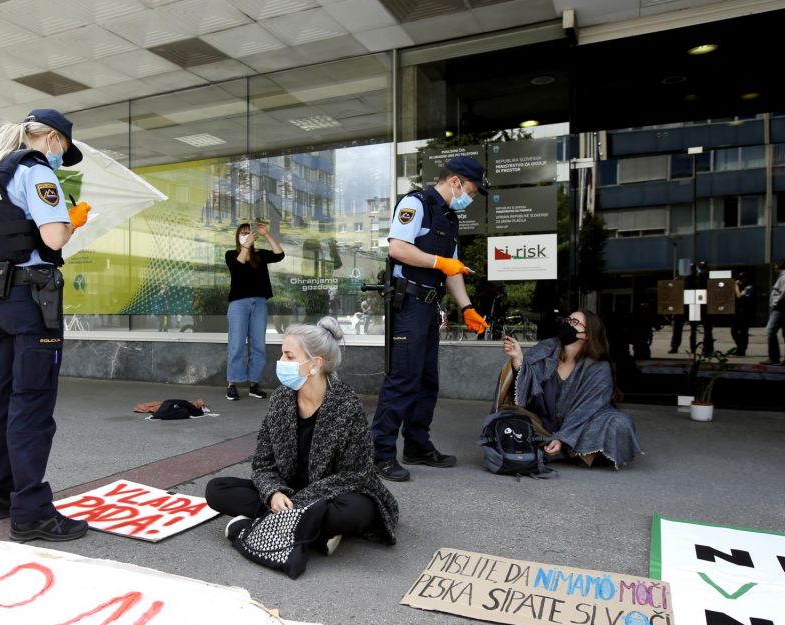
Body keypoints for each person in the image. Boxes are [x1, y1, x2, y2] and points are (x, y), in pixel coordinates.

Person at [0, 108, 92, 543]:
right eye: (63, 148)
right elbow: (53, 238)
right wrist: (71, 221)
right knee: (32, 405)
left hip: (2, 301)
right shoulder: (36, 170)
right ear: (52, 139)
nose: (61, 155)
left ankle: (2, 496)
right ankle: (32, 513)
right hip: (32, 301)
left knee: (3, 399)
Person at [205, 317, 399, 565]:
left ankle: (258, 525)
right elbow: (263, 463)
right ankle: (314, 533)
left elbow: (355, 474)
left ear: (314, 365)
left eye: (288, 356)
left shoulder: (346, 405)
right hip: (288, 490)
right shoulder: (280, 400)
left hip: (330, 495)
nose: (281, 362)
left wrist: (298, 501)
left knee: (358, 511)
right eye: (282, 355)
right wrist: (274, 492)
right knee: (217, 489)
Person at [370, 156, 489, 482]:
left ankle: (417, 445)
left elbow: (452, 269)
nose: (472, 196)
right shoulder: (416, 203)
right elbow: (398, 249)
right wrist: (440, 262)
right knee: (403, 379)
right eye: (472, 190)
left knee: (426, 380)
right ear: (455, 181)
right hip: (407, 303)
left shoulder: (448, 217)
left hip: (428, 307)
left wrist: (467, 308)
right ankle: (379, 454)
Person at [501, 310, 642, 468]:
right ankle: (572, 452)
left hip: (581, 425)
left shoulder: (598, 366)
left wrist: (563, 436)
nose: (566, 324)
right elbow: (526, 389)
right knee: (505, 419)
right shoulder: (545, 349)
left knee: (619, 423)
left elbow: (589, 408)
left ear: (586, 335)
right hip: (543, 422)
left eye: (574, 323)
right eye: (567, 320)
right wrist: (518, 360)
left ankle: (558, 448)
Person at [225, 219, 284, 401]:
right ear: (238, 237)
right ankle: (232, 383)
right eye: (242, 233)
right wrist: (246, 246)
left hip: (259, 302)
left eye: (248, 232)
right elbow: (237, 267)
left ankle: (254, 383)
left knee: (258, 344)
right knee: (236, 343)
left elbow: (279, 254)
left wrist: (266, 234)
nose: (246, 236)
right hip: (239, 303)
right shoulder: (231, 254)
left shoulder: (260, 255)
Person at [669, 260, 712, 355]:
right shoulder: (682, 277)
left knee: (693, 327)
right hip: (684, 302)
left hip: (694, 302)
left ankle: (693, 347)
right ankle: (675, 346)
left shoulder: (700, 276)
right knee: (679, 326)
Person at [761, 259, 785, 365]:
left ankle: (774, 357)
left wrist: (775, 304)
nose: (774, 266)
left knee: (770, 331)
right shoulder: (782, 276)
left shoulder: (784, 277)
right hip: (781, 307)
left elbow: (783, 293)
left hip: (780, 308)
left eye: (775, 265)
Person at [731, 271, 754, 356]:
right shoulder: (739, 286)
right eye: (740, 278)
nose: (741, 280)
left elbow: (739, 296)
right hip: (737, 312)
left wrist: (736, 285)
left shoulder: (749, 287)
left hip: (745, 312)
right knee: (734, 331)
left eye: (743, 278)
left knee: (744, 332)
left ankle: (742, 349)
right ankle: (739, 346)